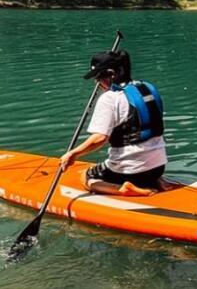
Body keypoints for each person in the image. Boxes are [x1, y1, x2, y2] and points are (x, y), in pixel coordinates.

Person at [60, 50, 173, 196]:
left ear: (112, 74)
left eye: (99, 77)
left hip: (130, 172)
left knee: (86, 177)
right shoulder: (147, 88)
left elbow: (100, 138)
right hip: (158, 167)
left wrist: (73, 154)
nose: (97, 82)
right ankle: (156, 180)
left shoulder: (110, 98)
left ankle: (124, 189)